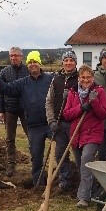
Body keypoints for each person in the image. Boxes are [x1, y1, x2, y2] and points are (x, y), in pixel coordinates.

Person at [0, 50, 53, 187]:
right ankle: (38, 183)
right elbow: (7, 89)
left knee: (61, 150)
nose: (32, 64)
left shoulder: (50, 80)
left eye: (35, 62)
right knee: (36, 156)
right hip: (34, 125)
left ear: (39, 63)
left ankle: (63, 179)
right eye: (30, 62)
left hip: (50, 123)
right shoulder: (23, 82)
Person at [63, 64, 106, 208]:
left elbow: (103, 114)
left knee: (85, 161)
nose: (86, 80)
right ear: (78, 78)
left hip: (93, 133)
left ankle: (83, 197)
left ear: (93, 78)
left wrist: (94, 102)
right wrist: (81, 108)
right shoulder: (73, 93)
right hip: (76, 134)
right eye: (83, 77)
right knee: (82, 165)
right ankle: (95, 192)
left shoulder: (99, 92)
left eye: (89, 77)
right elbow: (67, 114)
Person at [45, 50, 78, 192]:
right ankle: (65, 180)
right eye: (66, 60)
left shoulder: (79, 79)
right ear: (62, 62)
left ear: (75, 62)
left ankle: (81, 182)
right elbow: (49, 101)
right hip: (59, 124)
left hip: (75, 124)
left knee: (78, 153)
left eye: (71, 60)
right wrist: (51, 120)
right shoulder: (56, 79)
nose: (68, 63)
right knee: (60, 154)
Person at [0, 46, 29, 177]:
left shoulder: (27, 71)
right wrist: (0, 110)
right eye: (11, 56)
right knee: (10, 138)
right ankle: (11, 164)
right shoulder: (4, 72)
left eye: (16, 55)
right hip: (9, 109)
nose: (14, 58)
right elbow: (0, 93)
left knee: (31, 136)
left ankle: (35, 161)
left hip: (25, 108)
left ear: (21, 57)